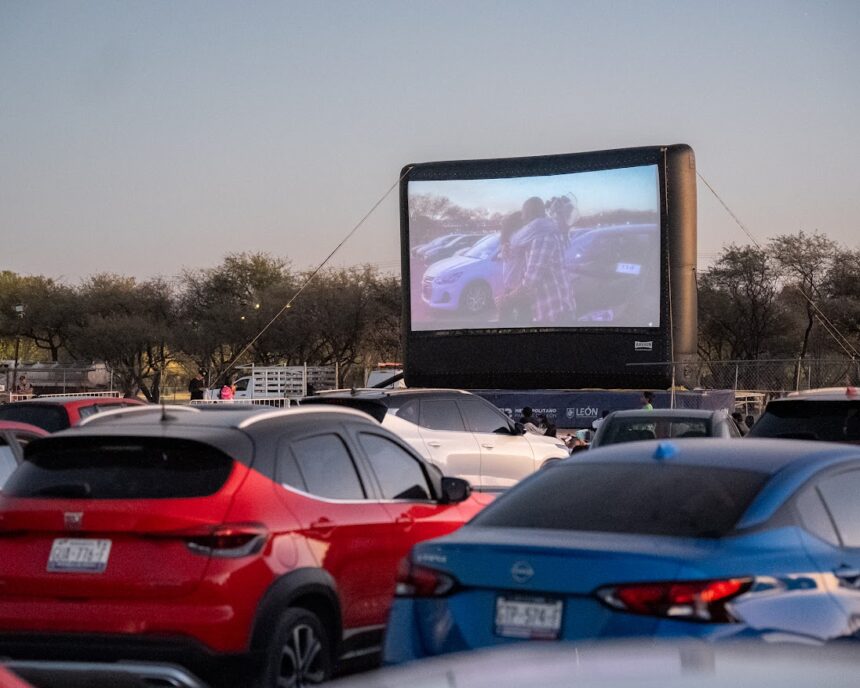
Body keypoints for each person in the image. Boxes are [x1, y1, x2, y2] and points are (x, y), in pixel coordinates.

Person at [498, 197, 575, 325]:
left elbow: (530, 281)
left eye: (523, 213)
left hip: (554, 310)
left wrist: (505, 300)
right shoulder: (551, 231)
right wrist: (504, 243)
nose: (522, 218)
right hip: (559, 306)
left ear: (528, 214)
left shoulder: (542, 236)